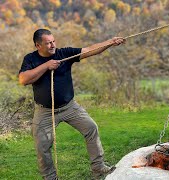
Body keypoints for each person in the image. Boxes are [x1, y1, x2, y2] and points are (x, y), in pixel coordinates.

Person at [18, 29, 125, 180]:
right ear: (38, 45)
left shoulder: (64, 53)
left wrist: (110, 42)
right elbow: (23, 80)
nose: (52, 45)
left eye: (53, 41)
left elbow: (89, 50)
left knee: (91, 128)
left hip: (70, 107)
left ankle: (98, 167)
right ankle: (50, 177)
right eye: (48, 43)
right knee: (42, 146)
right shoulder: (30, 59)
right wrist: (46, 65)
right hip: (45, 111)